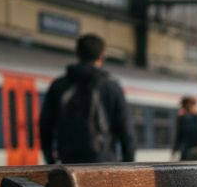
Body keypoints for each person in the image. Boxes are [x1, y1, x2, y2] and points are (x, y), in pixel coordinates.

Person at [39, 33, 136, 164]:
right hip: (104, 164)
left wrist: (50, 160)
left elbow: (45, 126)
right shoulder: (112, 88)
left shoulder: (59, 86)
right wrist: (127, 165)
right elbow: (127, 131)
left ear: (77, 54)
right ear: (101, 56)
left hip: (69, 164)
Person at [173, 96, 197, 160]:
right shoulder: (182, 119)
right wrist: (174, 151)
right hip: (187, 154)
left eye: (186, 107)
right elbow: (178, 137)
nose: (185, 109)